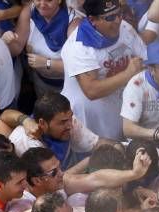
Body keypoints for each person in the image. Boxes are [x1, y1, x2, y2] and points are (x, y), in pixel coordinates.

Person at [60, 0, 145, 140]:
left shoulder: (125, 28)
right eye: (110, 18)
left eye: (119, 14)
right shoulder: (79, 46)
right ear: (93, 20)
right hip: (90, 119)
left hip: (120, 108)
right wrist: (128, 74)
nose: (118, 20)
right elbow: (91, 90)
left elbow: (143, 58)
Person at [0, 0, 78, 95]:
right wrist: (8, 41)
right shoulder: (29, 12)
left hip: (69, 85)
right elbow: (16, 49)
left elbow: (78, 66)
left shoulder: (73, 22)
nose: (42, 4)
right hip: (41, 81)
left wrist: (48, 63)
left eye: (48, 0)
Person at [5, 92, 101, 167]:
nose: (70, 126)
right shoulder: (27, 143)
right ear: (43, 123)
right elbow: (49, 183)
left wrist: (116, 146)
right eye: (62, 122)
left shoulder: (68, 121)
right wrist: (89, 161)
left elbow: (96, 144)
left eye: (70, 117)